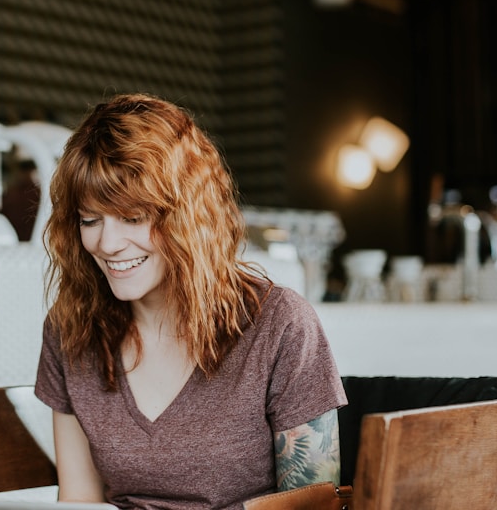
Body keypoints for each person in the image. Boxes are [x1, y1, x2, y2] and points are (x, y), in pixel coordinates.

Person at [34, 93, 347, 510]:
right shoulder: (70, 328)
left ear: (188, 216)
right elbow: (78, 502)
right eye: (90, 220)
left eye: (133, 217)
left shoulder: (280, 325)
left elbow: (313, 508)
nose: (107, 244)